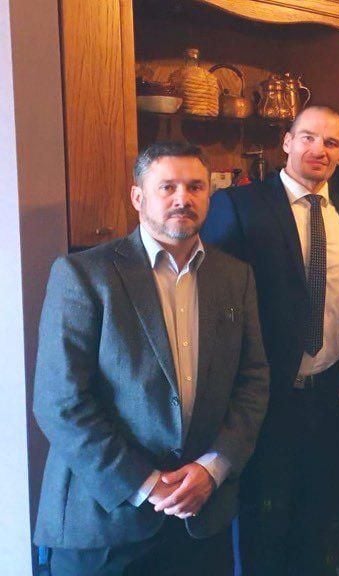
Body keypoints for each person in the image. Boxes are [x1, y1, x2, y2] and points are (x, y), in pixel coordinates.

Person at [32, 141, 269, 575]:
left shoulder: (235, 276)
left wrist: (213, 467)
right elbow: (59, 402)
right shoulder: (85, 275)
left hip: (201, 516)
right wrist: (145, 484)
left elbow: (253, 381)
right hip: (106, 521)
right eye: (167, 187)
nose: (183, 198)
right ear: (138, 197)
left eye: (195, 186)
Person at [201, 105, 339, 575]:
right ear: (287, 142)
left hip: (329, 397)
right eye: (308, 137)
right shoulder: (239, 205)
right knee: (264, 529)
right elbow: (213, 302)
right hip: (264, 399)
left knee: (318, 523)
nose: (319, 149)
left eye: (331, 143)